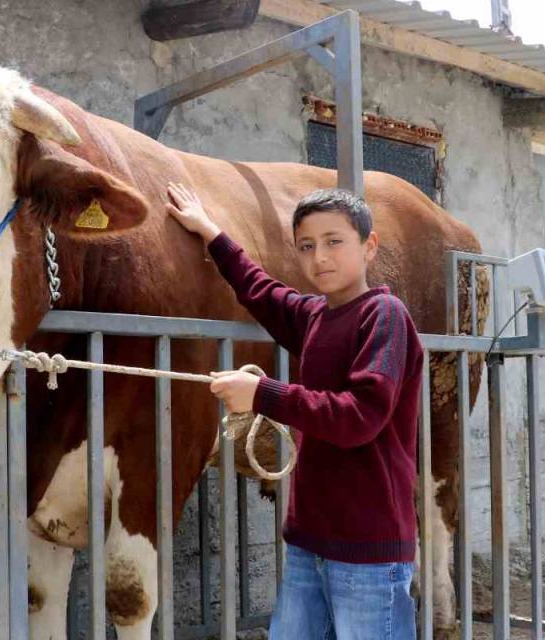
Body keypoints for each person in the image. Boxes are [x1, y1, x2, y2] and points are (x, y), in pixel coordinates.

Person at [165, 183, 424, 640]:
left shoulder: (384, 315)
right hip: (309, 544)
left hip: (368, 551)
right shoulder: (314, 316)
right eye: (306, 246)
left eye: (334, 242)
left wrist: (263, 394)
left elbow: (359, 417)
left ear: (369, 246)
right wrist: (209, 230)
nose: (319, 257)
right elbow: (258, 289)